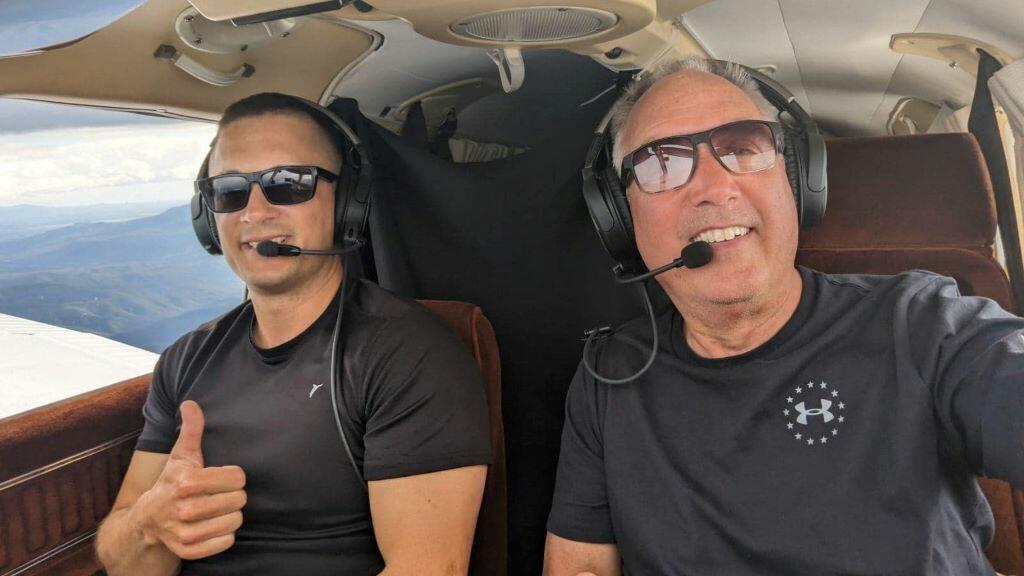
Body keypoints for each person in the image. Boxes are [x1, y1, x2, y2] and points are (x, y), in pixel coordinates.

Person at [544, 56, 1024, 575]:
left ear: (798, 184)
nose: (712, 187)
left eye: (742, 149)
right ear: (618, 217)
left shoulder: (924, 323)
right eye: (662, 163)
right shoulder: (609, 374)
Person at [95, 93, 492, 576]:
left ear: (348, 201)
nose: (255, 211)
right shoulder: (186, 360)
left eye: (289, 183)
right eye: (230, 189)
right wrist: (150, 524)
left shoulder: (405, 356)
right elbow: (123, 562)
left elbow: (431, 567)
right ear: (208, 214)